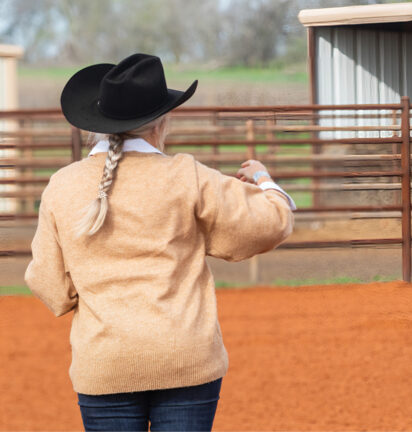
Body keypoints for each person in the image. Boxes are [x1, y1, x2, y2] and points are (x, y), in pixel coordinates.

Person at [24, 53, 296, 431]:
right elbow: (271, 223)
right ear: (161, 122)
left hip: (104, 362)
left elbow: (51, 286)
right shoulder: (186, 175)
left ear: (97, 124)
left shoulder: (63, 185)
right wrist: (265, 181)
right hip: (186, 358)